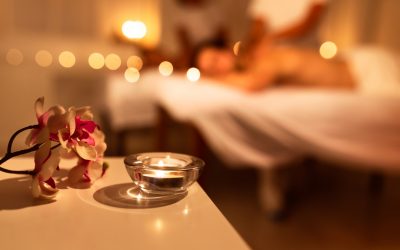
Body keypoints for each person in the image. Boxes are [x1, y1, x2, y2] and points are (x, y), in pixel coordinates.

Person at [195, 39, 355, 92]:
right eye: (211, 70)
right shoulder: (255, 61)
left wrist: (209, 78)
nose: (218, 69)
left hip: (361, 72)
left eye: (215, 59)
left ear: (226, 50)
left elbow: (252, 84)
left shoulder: (261, 59)